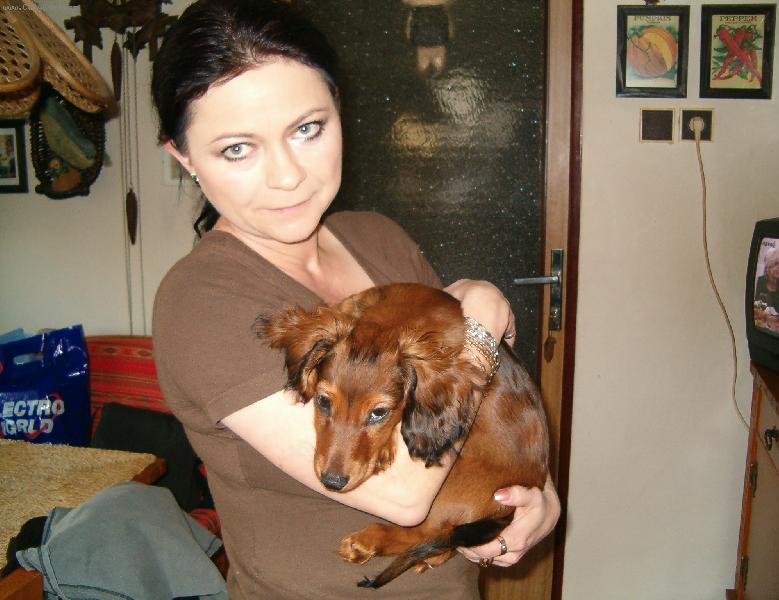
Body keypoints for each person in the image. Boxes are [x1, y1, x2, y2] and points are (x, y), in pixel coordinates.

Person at [150, 1, 560, 598]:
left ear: (339, 111)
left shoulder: (379, 239)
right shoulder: (201, 301)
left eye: (307, 129)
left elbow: (485, 413)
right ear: (183, 156)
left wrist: (536, 494)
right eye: (237, 148)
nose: (287, 176)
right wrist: (482, 325)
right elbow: (405, 493)